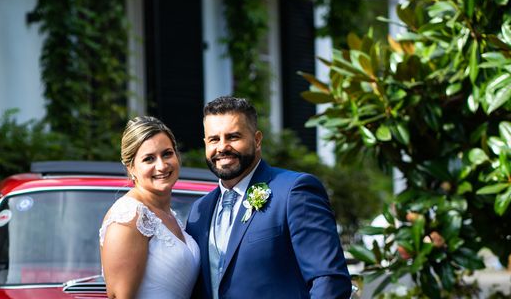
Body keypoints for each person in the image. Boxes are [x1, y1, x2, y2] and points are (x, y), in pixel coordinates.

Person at [186, 96, 352, 299]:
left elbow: (329, 280)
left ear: (257, 140)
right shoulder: (199, 210)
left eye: (233, 137)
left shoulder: (295, 191)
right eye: (214, 139)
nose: (222, 147)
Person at [99, 116, 200, 299]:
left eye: (167, 153)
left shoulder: (169, 215)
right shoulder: (128, 217)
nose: (161, 166)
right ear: (131, 168)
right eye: (149, 159)